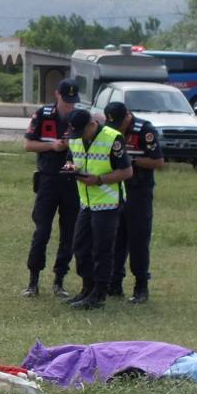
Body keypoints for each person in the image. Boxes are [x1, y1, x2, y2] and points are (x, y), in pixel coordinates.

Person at [63, 108, 133, 309]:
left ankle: (99, 294)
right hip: (87, 201)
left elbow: (127, 171)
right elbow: (71, 156)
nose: (77, 137)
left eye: (81, 132)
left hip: (108, 202)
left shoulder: (113, 138)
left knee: (102, 248)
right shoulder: (76, 137)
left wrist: (99, 180)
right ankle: (87, 287)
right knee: (80, 245)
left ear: (92, 124)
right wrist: (69, 166)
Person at [21, 78, 82, 298]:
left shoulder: (80, 118)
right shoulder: (43, 114)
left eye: (73, 101)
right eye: (66, 100)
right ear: (57, 94)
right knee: (42, 232)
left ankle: (59, 280)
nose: (69, 105)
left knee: (69, 234)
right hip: (48, 180)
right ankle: (33, 281)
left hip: (72, 183)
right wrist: (52, 146)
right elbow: (28, 144)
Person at [105, 101, 164, 304]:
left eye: (120, 123)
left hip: (139, 192)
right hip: (117, 191)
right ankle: (114, 284)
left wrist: (131, 162)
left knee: (138, 240)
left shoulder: (144, 131)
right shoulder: (110, 131)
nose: (118, 128)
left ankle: (141, 286)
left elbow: (158, 161)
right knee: (116, 239)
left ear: (128, 116)